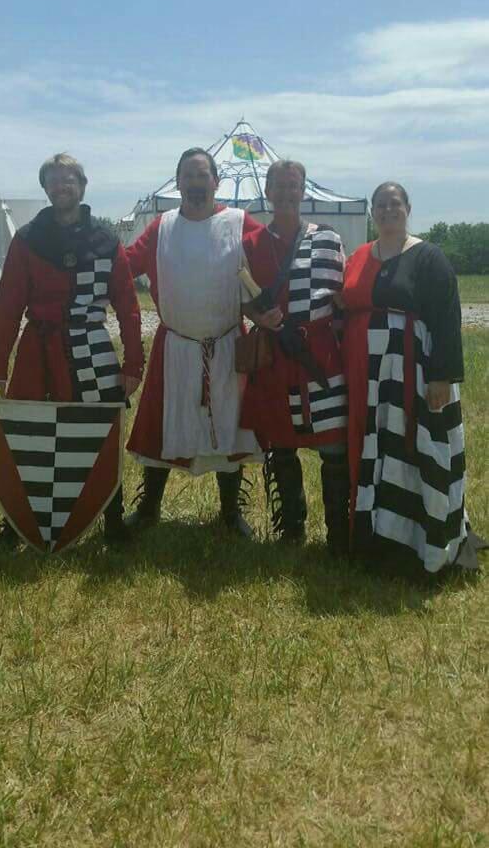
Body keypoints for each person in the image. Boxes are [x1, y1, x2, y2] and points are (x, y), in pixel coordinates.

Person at [0, 153, 144, 548]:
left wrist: (133, 364)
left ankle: (113, 520)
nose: (61, 186)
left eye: (69, 179)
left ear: (82, 185)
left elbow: (128, 306)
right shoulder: (27, 239)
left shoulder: (105, 240)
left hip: (91, 346)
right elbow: (8, 307)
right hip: (37, 352)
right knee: (28, 433)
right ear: (45, 187)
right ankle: (17, 524)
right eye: (54, 180)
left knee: (99, 433)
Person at [340, 181, 485, 572]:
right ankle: (380, 539)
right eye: (380, 204)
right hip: (372, 380)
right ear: (372, 211)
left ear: (407, 208)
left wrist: (441, 377)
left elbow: (447, 318)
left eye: (395, 203)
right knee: (378, 451)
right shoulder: (359, 256)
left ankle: (426, 542)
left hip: (416, 374)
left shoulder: (428, 257)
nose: (388, 210)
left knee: (419, 449)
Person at [125, 147, 262, 535]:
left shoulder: (239, 223)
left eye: (203, 175)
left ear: (216, 181)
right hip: (177, 347)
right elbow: (123, 266)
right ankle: (149, 508)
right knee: (161, 427)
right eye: (188, 175)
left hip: (227, 345)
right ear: (178, 182)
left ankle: (230, 513)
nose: (196, 183)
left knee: (229, 425)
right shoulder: (162, 227)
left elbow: (273, 260)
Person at [240, 160, 349, 550]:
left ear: (303, 191)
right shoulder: (252, 244)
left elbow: (344, 294)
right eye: (280, 186)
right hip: (276, 355)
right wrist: (259, 317)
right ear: (268, 191)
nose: (287, 192)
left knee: (333, 446)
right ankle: (292, 528)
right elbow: (241, 300)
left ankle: (339, 531)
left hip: (319, 354)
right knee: (282, 446)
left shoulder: (328, 239)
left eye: (293, 185)